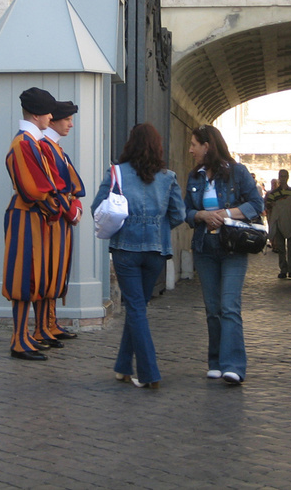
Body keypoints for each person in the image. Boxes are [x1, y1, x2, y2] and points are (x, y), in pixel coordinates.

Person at [90, 123, 185, 389]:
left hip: (125, 249)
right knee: (138, 308)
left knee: (135, 309)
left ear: (130, 144)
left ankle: (148, 373)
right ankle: (122, 366)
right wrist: (158, 227)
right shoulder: (169, 177)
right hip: (155, 251)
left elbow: (97, 207)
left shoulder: (117, 173)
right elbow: (178, 214)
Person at [2, 87, 79, 361]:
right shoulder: (24, 143)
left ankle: (28, 335)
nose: (51, 116)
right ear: (36, 115)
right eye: (47, 112)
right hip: (28, 215)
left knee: (37, 276)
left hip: (36, 216)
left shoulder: (31, 142)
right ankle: (20, 339)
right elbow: (34, 189)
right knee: (24, 278)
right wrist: (58, 208)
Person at [185, 125, 264, 385]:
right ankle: (215, 362)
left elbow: (255, 204)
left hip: (232, 248)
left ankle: (234, 366)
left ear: (207, 146)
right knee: (212, 308)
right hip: (205, 248)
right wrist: (201, 215)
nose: (191, 149)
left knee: (229, 306)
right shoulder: (194, 177)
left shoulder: (237, 172)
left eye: (194, 144)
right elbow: (185, 212)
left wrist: (224, 214)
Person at [38, 100, 85, 346]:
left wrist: (74, 204)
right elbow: (55, 188)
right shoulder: (45, 147)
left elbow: (72, 188)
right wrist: (70, 210)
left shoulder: (56, 148)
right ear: (53, 120)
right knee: (48, 270)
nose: (71, 124)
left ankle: (51, 321)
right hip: (52, 218)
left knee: (58, 270)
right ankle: (43, 325)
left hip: (61, 218)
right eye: (67, 119)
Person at [265, 169, 291, 278]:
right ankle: (283, 269)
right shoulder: (273, 194)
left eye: (285, 176)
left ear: (288, 177)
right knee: (281, 248)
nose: (283, 178)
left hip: (290, 221)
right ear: (279, 177)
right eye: (281, 176)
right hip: (279, 222)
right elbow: (268, 206)